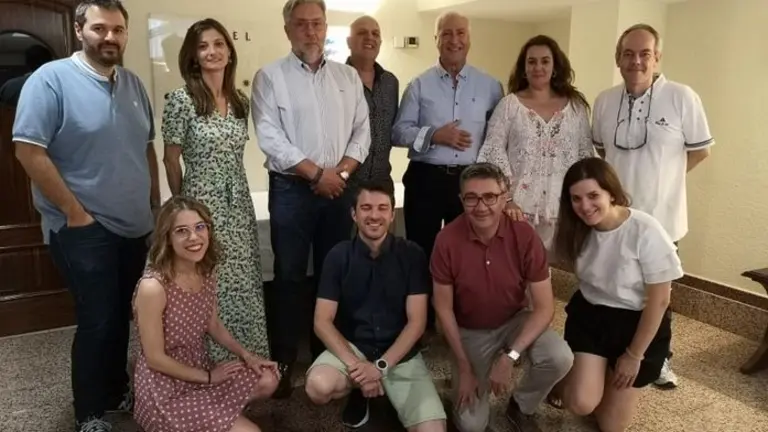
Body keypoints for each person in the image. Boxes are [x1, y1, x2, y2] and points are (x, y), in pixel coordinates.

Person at [11, 1, 159, 430]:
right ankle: (90, 412)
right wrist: (74, 213)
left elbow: (146, 147)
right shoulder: (50, 80)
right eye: (99, 28)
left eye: (118, 29)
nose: (110, 37)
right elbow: (28, 151)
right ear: (79, 30)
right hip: (83, 227)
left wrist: (152, 206)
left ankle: (115, 389)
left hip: (134, 225)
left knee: (122, 314)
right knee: (98, 318)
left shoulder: (133, 84)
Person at [251, 0, 371, 398]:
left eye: (317, 23)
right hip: (291, 191)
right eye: (301, 24)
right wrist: (317, 174)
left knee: (332, 274)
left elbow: (362, 133)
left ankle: (326, 355)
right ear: (287, 29)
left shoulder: (347, 77)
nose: (310, 31)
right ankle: (284, 359)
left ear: (326, 27)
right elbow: (270, 137)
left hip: (339, 188)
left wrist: (341, 175)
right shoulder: (270, 77)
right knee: (288, 275)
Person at [591, 23, 714, 389]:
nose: (637, 61)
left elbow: (701, 151)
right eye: (628, 54)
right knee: (614, 284)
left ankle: (658, 359)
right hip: (614, 219)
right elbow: (602, 152)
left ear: (657, 58)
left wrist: (666, 180)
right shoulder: (605, 101)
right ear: (618, 59)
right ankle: (610, 350)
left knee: (657, 294)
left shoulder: (682, 97)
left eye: (645, 54)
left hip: (662, 220)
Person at [431, 163, 573, 432]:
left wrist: (509, 357)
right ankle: (459, 382)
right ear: (461, 200)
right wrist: (464, 366)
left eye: (490, 197)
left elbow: (544, 308)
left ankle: (522, 405)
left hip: (514, 320)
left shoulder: (525, 235)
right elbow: (443, 308)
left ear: (504, 197)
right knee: (471, 426)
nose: (481, 207)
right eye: (471, 198)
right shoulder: (446, 240)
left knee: (559, 357)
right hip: (469, 330)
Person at [161, 18, 270, 364]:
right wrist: (181, 208)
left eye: (219, 44)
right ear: (193, 56)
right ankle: (207, 366)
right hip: (201, 205)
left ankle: (248, 361)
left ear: (229, 51)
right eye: (203, 46)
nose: (212, 51)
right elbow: (170, 159)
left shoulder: (240, 102)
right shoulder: (181, 100)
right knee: (209, 280)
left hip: (238, 203)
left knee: (243, 281)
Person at [304, 180, 447, 431]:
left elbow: (417, 323)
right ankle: (360, 389)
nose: (374, 215)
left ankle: (385, 390)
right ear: (354, 214)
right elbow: (322, 322)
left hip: (400, 355)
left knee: (433, 430)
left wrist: (380, 367)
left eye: (382, 208)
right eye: (366, 208)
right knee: (318, 386)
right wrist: (357, 367)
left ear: (392, 215)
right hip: (354, 349)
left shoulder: (412, 254)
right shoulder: (338, 256)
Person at [392, 11, 503, 332]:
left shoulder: (490, 86)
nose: (454, 40)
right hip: (425, 179)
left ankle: (465, 320)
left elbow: (499, 137)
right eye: (447, 34)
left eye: (460, 33)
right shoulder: (419, 85)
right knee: (421, 251)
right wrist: (434, 135)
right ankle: (422, 324)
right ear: (436, 39)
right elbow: (398, 132)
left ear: (469, 37)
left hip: (470, 183)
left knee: (469, 251)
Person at [554, 157, 683, 432]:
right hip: (591, 317)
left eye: (593, 196)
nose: (585, 206)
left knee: (611, 426)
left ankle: (603, 374)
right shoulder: (575, 229)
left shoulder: (645, 230)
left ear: (611, 193)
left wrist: (634, 355)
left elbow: (660, 300)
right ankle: (574, 376)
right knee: (580, 403)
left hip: (637, 322)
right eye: (576, 199)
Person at [132, 195, 279, 432]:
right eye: (182, 231)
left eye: (200, 227)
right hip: (165, 389)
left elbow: (213, 324)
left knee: (268, 378)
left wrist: (247, 356)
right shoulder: (153, 287)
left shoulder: (205, 270)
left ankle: (213, 421)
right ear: (167, 238)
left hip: (201, 369)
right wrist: (209, 377)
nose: (194, 237)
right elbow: (155, 359)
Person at [477, 35, 594, 254]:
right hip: (518, 212)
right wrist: (506, 200)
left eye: (545, 61)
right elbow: (491, 153)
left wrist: (585, 201)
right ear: (524, 68)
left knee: (561, 271)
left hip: (566, 211)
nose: (538, 67)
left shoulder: (576, 108)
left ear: (555, 66)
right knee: (517, 267)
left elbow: (585, 157)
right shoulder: (509, 106)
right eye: (531, 62)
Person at [345, 15, 399, 191]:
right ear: (349, 42)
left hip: (382, 182)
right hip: (345, 184)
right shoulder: (335, 80)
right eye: (362, 33)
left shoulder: (390, 82)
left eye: (375, 34)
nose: (370, 37)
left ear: (380, 42)